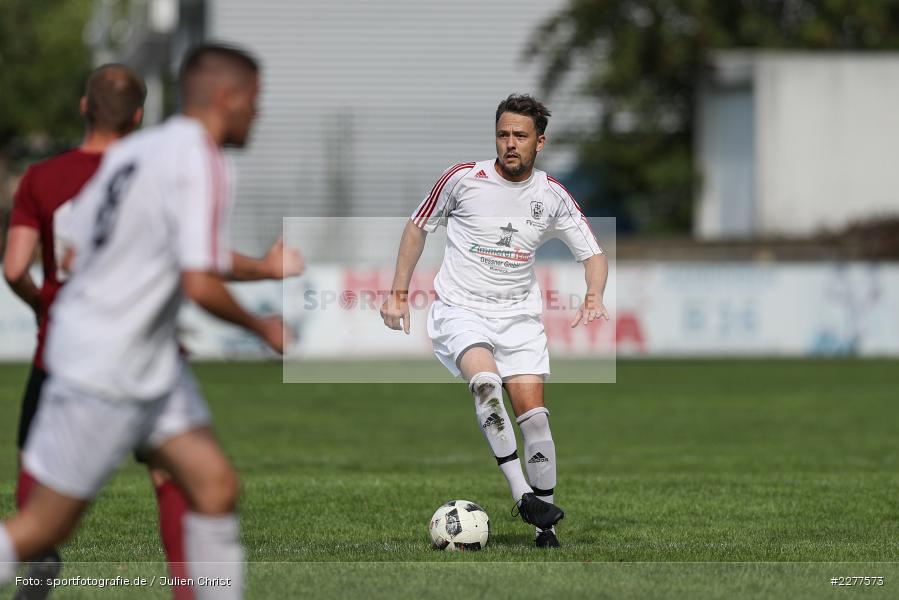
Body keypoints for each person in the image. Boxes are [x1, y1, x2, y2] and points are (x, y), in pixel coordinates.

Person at [0, 43, 283, 600]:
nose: (258, 114)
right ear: (230, 98)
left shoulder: (141, 150)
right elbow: (199, 281)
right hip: (109, 367)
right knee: (43, 529)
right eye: (256, 101)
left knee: (214, 487)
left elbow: (80, 245)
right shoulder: (203, 159)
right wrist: (263, 328)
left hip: (138, 357)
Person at [380, 94, 609, 548]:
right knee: (485, 385)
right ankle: (522, 493)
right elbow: (416, 227)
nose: (510, 143)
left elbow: (593, 254)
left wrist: (594, 294)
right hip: (461, 311)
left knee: (536, 421)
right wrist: (398, 294)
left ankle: (545, 528)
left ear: (539, 142)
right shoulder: (463, 179)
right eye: (503, 134)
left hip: (519, 318)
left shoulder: (552, 194)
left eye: (520, 136)